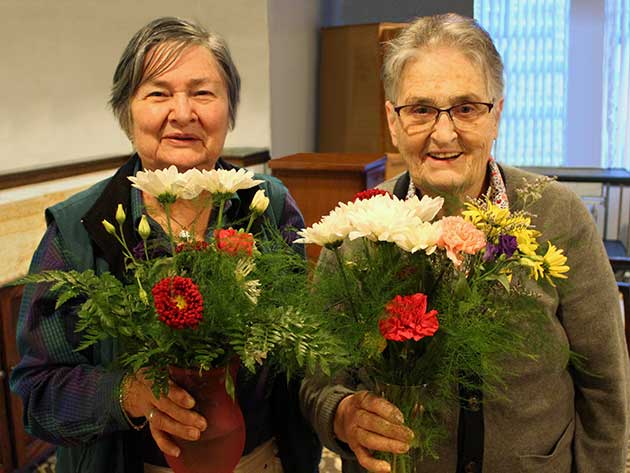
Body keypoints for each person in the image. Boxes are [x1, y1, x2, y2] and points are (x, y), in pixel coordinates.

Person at [300, 13, 630, 473]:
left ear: (496, 114)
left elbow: (604, 385)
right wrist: (340, 413)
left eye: (466, 108)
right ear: (393, 121)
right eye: (420, 110)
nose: (444, 133)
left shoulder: (558, 216)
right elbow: (316, 381)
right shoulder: (357, 232)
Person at [10, 17, 320, 473]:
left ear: (229, 109)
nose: (182, 112)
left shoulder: (267, 206)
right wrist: (128, 393)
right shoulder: (81, 229)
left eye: (202, 92)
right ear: (126, 110)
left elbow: (302, 353)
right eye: (158, 93)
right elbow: (38, 394)